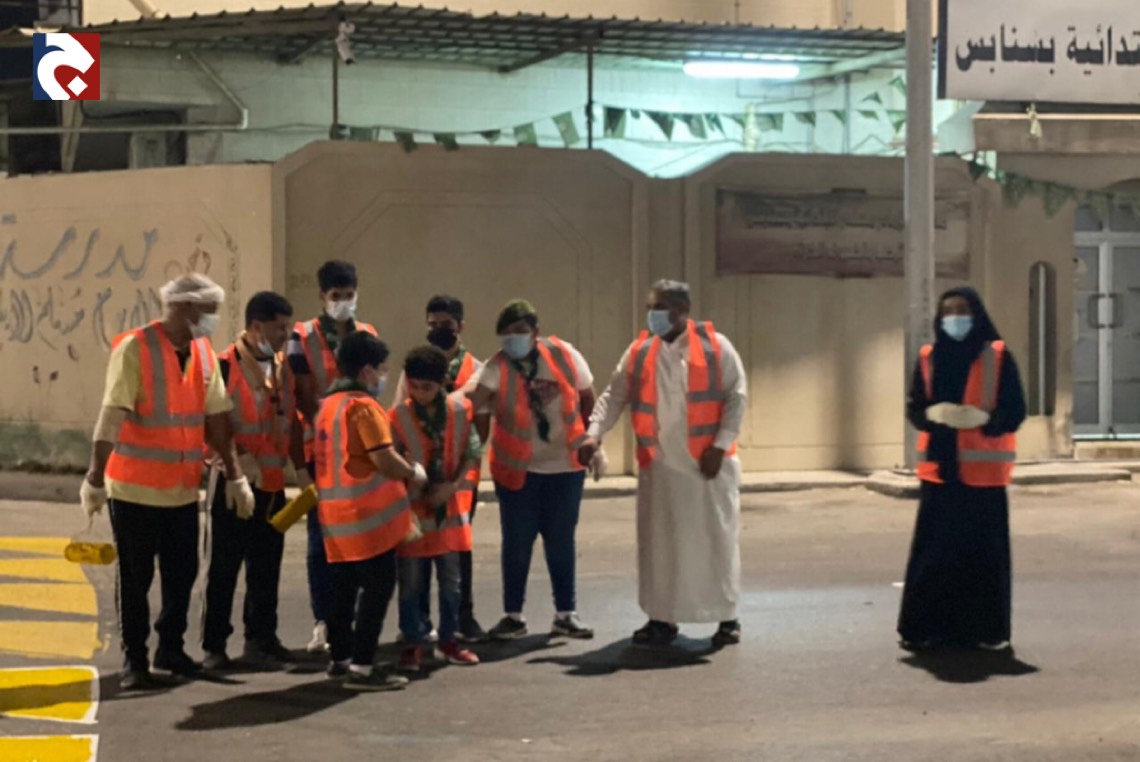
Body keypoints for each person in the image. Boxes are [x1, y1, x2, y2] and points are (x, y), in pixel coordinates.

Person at [80, 273, 254, 691]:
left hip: (181, 491)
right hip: (134, 490)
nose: (213, 320)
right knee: (135, 580)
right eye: (209, 311)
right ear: (187, 308)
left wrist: (235, 474)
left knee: (182, 575)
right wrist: (95, 477)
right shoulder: (135, 348)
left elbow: (217, 418)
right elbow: (112, 415)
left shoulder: (203, 353)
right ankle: (135, 660)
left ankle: (170, 650)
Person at [582, 279, 745, 648]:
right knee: (660, 547)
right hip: (660, 469)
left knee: (716, 542)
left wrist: (720, 445)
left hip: (707, 468)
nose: (652, 314)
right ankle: (661, 619)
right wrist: (594, 433)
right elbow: (614, 395)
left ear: (682, 310)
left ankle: (727, 617)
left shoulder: (717, 347)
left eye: (660, 307)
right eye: (650, 307)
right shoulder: (640, 351)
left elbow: (737, 397)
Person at [898, 286, 1026, 652]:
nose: (955, 318)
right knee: (934, 554)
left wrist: (985, 420)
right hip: (941, 472)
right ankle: (925, 629)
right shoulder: (929, 357)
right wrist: (932, 414)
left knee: (983, 556)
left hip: (983, 476)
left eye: (962, 310)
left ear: (977, 314)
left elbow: (1015, 410)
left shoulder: (998, 356)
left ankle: (986, 631)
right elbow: (915, 408)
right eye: (948, 311)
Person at [469, 299, 596, 641]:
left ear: (536, 331)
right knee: (517, 543)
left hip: (565, 467)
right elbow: (473, 403)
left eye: (520, 331)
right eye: (506, 334)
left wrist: (590, 438)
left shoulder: (565, 355)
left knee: (561, 541)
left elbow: (587, 396)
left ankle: (566, 613)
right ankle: (513, 616)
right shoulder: (496, 367)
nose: (513, 339)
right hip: (519, 472)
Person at [201, 291, 310, 671]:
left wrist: (301, 471)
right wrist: (236, 468)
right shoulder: (223, 367)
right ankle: (214, 645)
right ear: (257, 327)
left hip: (272, 485)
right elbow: (209, 425)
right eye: (280, 328)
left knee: (267, 567)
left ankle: (262, 639)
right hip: (233, 483)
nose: (285, 335)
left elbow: (290, 421)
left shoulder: (283, 370)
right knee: (223, 568)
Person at [315, 330, 426, 691]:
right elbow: (383, 459)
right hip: (368, 519)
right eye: (380, 369)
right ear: (366, 370)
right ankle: (362, 667)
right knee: (377, 591)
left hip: (336, 516)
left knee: (342, 591)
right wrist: (413, 471)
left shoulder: (328, 406)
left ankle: (340, 658)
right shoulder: (363, 407)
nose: (383, 376)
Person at [287, 260, 379, 653]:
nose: (343, 301)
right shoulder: (302, 336)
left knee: (358, 535)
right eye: (336, 295)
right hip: (320, 450)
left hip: (358, 452)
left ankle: (349, 618)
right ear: (322, 296)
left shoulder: (367, 333)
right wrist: (333, 427)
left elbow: (373, 385)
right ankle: (324, 621)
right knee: (321, 539)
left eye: (349, 294)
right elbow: (303, 393)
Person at [392, 295, 487, 643]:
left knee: (455, 559)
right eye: (432, 325)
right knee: (415, 564)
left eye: (445, 325)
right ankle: (418, 628)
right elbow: (399, 428)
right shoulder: (413, 371)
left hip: (457, 486)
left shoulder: (476, 368)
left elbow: (479, 431)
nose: (438, 331)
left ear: (460, 326)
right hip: (417, 491)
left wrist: (455, 481)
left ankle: (461, 621)